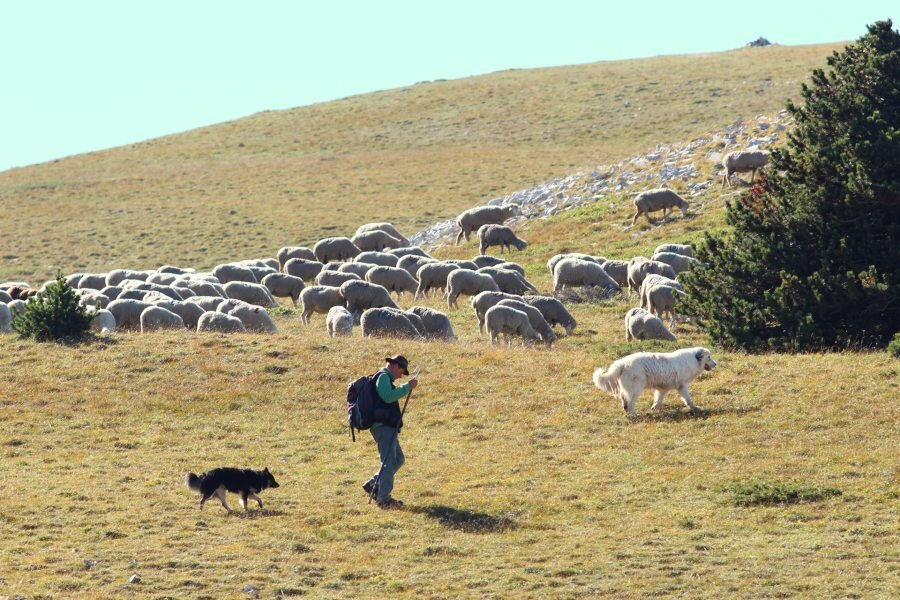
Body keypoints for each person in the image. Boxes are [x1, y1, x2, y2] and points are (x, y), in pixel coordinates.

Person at [362, 354, 418, 509]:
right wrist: (407, 387)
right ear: (395, 365)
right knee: (388, 462)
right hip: (382, 426)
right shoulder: (383, 377)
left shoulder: (385, 378)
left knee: (398, 459)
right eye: (401, 371)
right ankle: (384, 499)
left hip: (387, 426)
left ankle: (373, 484)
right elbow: (387, 397)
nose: (401, 375)